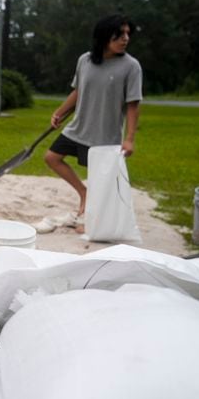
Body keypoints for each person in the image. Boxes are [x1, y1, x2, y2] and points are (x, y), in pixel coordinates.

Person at [34, 14, 142, 234]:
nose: (125, 39)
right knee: (52, 158)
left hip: (105, 136)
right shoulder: (85, 60)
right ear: (104, 36)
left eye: (128, 34)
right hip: (77, 128)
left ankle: (91, 214)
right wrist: (60, 112)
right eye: (119, 34)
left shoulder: (131, 66)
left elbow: (133, 105)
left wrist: (129, 139)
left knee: (100, 182)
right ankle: (84, 193)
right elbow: (79, 90)